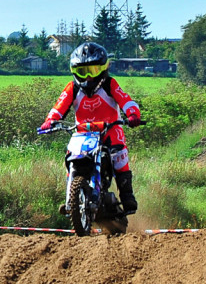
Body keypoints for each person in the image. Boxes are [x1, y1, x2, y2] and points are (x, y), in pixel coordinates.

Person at [40, 42, 143, 213]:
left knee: (120, 156)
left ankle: (127, 196)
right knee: (70, 157)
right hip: (82, 134)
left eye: (92, 71)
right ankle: (70, 199)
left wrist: (133, 115)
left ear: (103, 69)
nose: (87, 77)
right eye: (82, 71)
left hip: (110, 131)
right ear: (75, 72)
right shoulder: (72, 88)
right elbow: (59, 106)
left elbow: (126, 100)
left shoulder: (110, 84)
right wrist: (50, 120)